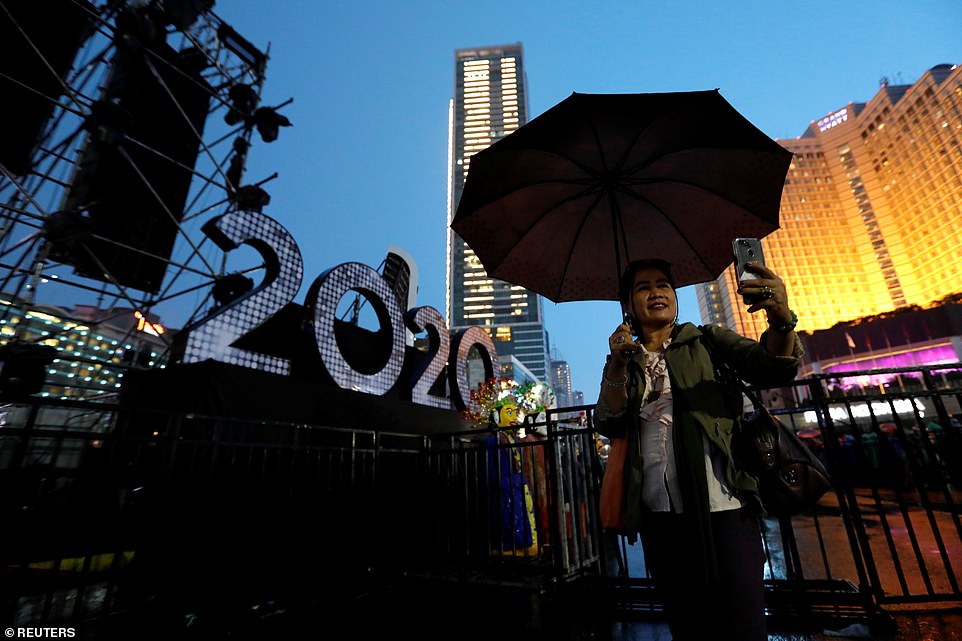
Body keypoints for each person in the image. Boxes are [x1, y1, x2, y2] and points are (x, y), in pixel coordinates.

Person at [594, 258, 802, 641]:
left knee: (743, 625)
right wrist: (619, 365)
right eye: (643, 287)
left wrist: (781, 319)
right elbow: (607, 422)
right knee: (687, 625)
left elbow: (772, 366)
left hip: (725, 510)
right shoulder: (626, 359)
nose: (656, 291)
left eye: (663, 284)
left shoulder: (707, 340)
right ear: (628, 306)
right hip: (661, 516)